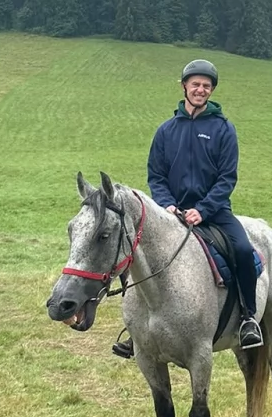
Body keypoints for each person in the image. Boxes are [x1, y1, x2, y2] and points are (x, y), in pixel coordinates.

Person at [112, 59, 263, 358]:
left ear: (212, 90)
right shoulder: (166, 131)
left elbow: (226, 177)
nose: (200, 89)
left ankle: (247, 319)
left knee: (244, 252)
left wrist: (204, 210)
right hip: (172, 214)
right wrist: (166, 203)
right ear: (184, 86)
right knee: (138, 258)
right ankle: (137, 330)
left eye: (206, 86)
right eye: (195, 84)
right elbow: (156, 174)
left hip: (215, 213)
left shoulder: (223, 129)